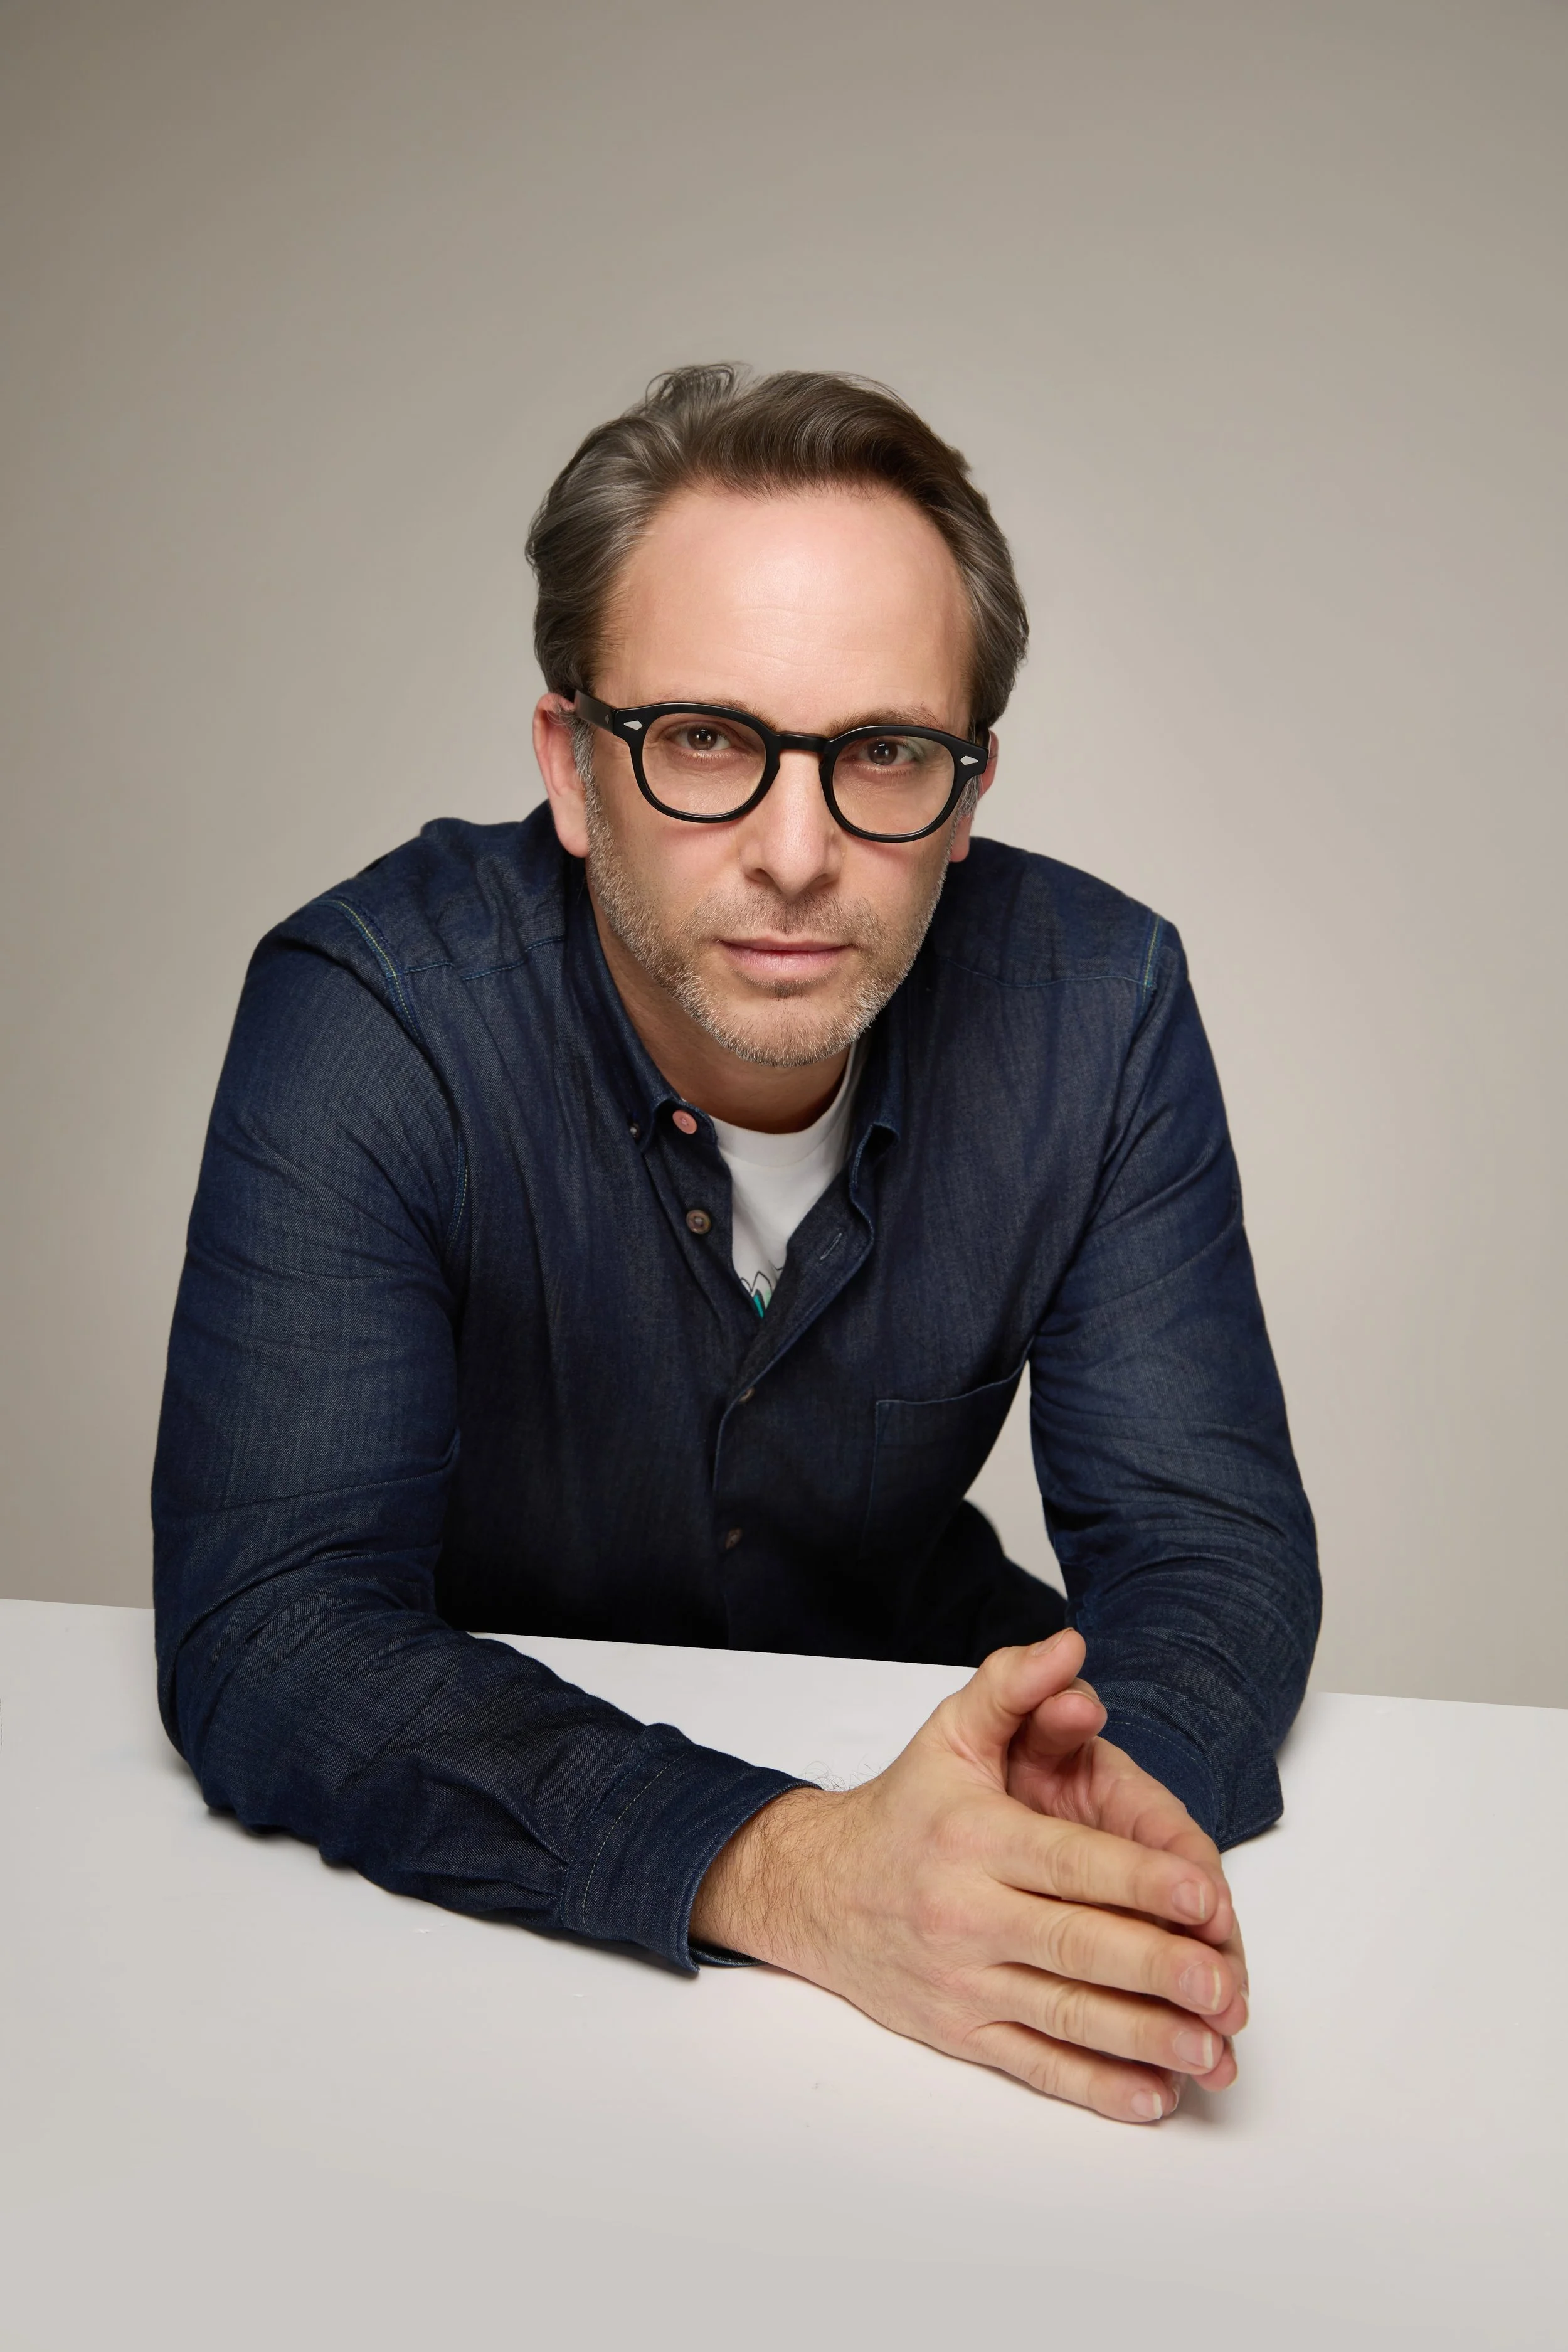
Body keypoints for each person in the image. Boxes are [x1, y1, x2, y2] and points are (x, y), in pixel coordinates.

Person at [153, 365, 1318, 2126]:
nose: (795, 853)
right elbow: (276, 1618)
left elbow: (1207, 1548)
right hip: (471, 1918)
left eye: (881, 754)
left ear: (967, 786)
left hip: (921, 1729)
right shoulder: (370, 1010)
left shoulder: (1099, 1003)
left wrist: (1064, 1839)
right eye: (704, 739)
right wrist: (798, 1871)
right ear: (569, 762)